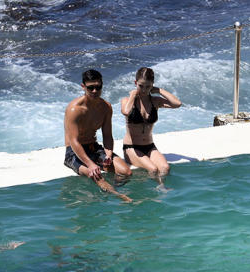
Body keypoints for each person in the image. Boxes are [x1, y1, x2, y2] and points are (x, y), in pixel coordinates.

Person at [63, 69, 133, 201]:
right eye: (90, 88)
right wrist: (90, 164)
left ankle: (112, 189)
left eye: (98, 87)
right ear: (83, 87)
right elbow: (74, 141)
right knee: (94, 175)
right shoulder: (75, 109)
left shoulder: (106, 107)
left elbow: (107, 135)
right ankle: (119, 197)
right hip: (74, 152)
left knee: (126, 172)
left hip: (93, 148)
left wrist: (108, 154)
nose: (95, 91)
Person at [120, 67, 182, 187]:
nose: (144, 90)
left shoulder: (155, 101)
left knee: (165, 168)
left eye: (148, 86)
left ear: (152, 85)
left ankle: (160, 188)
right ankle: (161, 187)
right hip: (131, 148)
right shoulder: (127, 100)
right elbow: (126, 111)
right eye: (141, 85)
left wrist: (159, 90)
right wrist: (133, 95)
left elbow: (177, 104)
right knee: (153, 169)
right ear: (135, 83)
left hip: (149, 146)